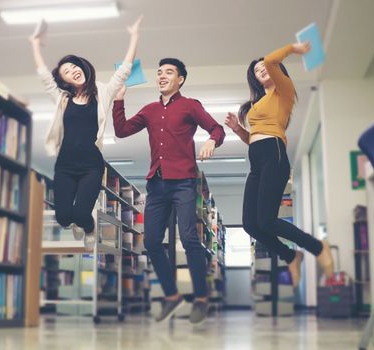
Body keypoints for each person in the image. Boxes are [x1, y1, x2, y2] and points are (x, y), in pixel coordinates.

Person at [112, 58, 225, 325]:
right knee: (151, 242)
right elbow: (121, 130)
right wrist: (119, 99)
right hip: (157, 183)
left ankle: (200, 298)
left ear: (181, 79)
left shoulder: (190, 105)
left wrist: (211, 140)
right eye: (159, 72)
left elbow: (216, 128)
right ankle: (172, 296)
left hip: (184, 182)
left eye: (169, 72)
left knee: (189, 239)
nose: (162, 76)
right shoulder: (150, 110)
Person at [224, 42, 334, 287]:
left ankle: (317, 247)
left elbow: (273, 60)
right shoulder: (258, 104)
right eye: (256, 70)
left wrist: (294, 48)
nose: (261, 69)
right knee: (250, 224)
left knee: (267, 220)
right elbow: (254, 138)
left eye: (263, 67)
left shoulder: (283, 89)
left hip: (274, 154)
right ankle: (290, 255)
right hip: (258, 158)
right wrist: (238, 130)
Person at [30, 16, 142, 250]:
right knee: (63, 218)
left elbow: (123, 71)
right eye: (67, 72)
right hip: (65, 165)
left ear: (82, 67)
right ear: (64, 81)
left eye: (74, 67)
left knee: (81, 214)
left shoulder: (102, 93)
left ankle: (89, 227)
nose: (74, 72)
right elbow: (43, 77)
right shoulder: (62, 99)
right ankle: (79, 223)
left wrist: (134, 37)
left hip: (91, 165)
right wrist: (34, 44)